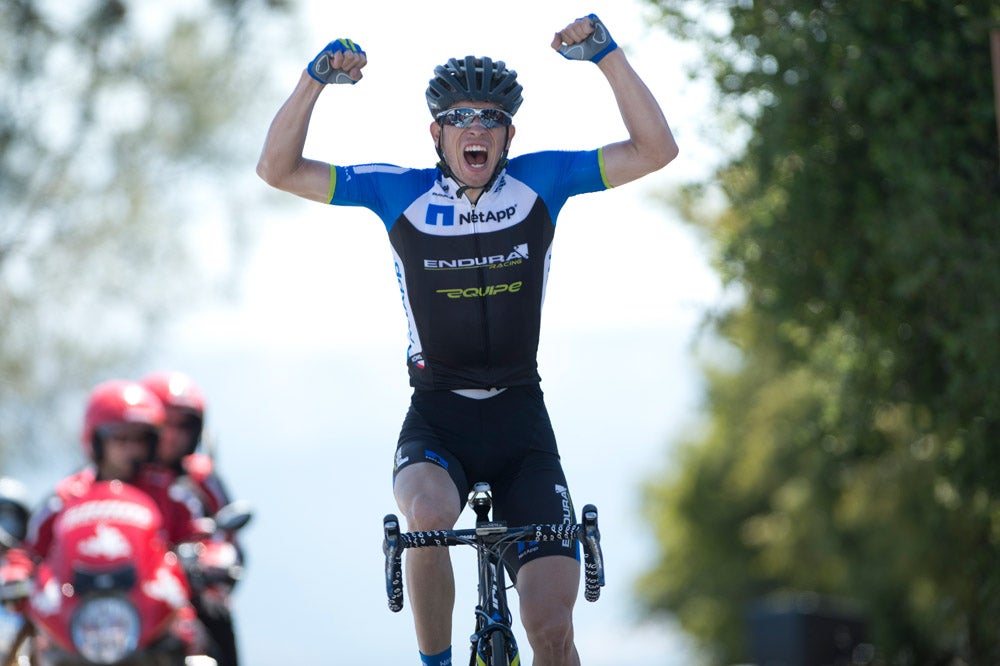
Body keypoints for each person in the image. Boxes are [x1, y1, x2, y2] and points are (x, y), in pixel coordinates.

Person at [257, 13, 677, 666]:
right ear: (436, 131)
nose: (475, 128)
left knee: (551, 628)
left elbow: (657, 151)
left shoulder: (542, 182)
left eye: (490, 118)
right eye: (459, 117)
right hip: (438, 419)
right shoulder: (398, 191)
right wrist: (314, 80)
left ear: (510, 133)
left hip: (521, 426)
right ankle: (438, 663)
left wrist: (608, 57)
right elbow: (278, 169)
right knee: (426, 521)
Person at [25, 379, 208, 562]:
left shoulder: (172, 494)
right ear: (97, 441)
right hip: (77, 590)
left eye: (140, 439)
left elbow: (204, 541)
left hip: (154, 590)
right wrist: (16, 570)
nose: (132, 449)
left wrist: (212, 557)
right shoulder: (67, 497)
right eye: (120, 438)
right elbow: (27, 554)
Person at [140, 370, 244, 666]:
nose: (173, 435)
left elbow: (230, 542)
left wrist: (215, 562)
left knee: (216, 612)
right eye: (165, 425)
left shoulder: (202, 480)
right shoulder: (115, 479)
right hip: (124, 592)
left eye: (183, 426)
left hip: (187, 593)